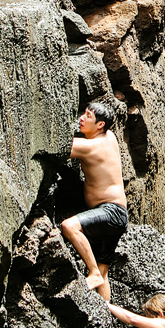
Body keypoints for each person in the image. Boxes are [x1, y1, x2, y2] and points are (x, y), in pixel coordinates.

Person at [60, 101, 128, 300]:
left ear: (100, 125)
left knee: (69, 226)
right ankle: (106, 317)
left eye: (88, 116)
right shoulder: (110, 137)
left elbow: (60, 148)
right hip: (119, 215)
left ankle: (93, 273)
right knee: (104, 270)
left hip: (109, 212)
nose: (81, 118)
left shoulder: (89, 147)